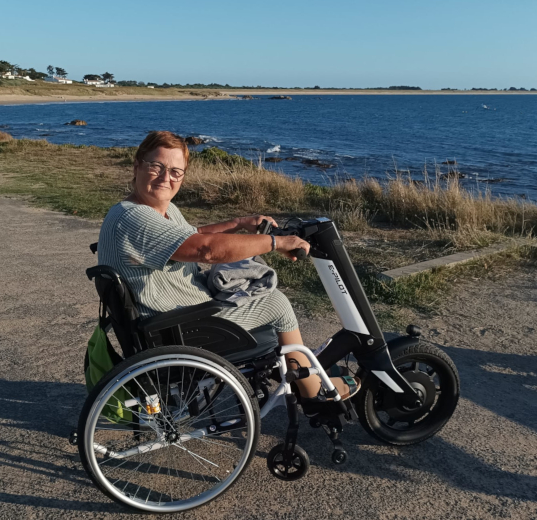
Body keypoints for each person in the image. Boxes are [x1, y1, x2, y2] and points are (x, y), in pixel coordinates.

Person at [98, 130, 359, 401]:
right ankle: (312, 390)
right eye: (157, 166)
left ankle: (299, 368)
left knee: (254, 293)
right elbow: (205, 249)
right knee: (276, 303)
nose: (166, 178)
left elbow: (191, 235)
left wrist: (237, 224)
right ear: (137, 165)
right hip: (177, 327)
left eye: (176, 171)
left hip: (169, 320)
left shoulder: (155, 210)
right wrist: (276, 242)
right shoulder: (134, 218)